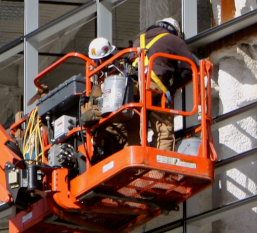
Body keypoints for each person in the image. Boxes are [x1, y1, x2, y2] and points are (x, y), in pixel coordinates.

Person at [139, 17, 195, 151]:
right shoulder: (173, 40)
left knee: (135, 130)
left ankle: (137, 164)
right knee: (163, 130)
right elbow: (190, 68)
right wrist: (174, 86)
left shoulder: (138, 41)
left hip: (134, 89)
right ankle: (160, 166)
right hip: (154, 89)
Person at [83, 37, 138, 160]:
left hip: (122, 116)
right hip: (106, 121)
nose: (97, 63)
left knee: (127, 150)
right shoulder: (96, 74)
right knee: (107, 151)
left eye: (98, 60)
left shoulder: (121, 69)